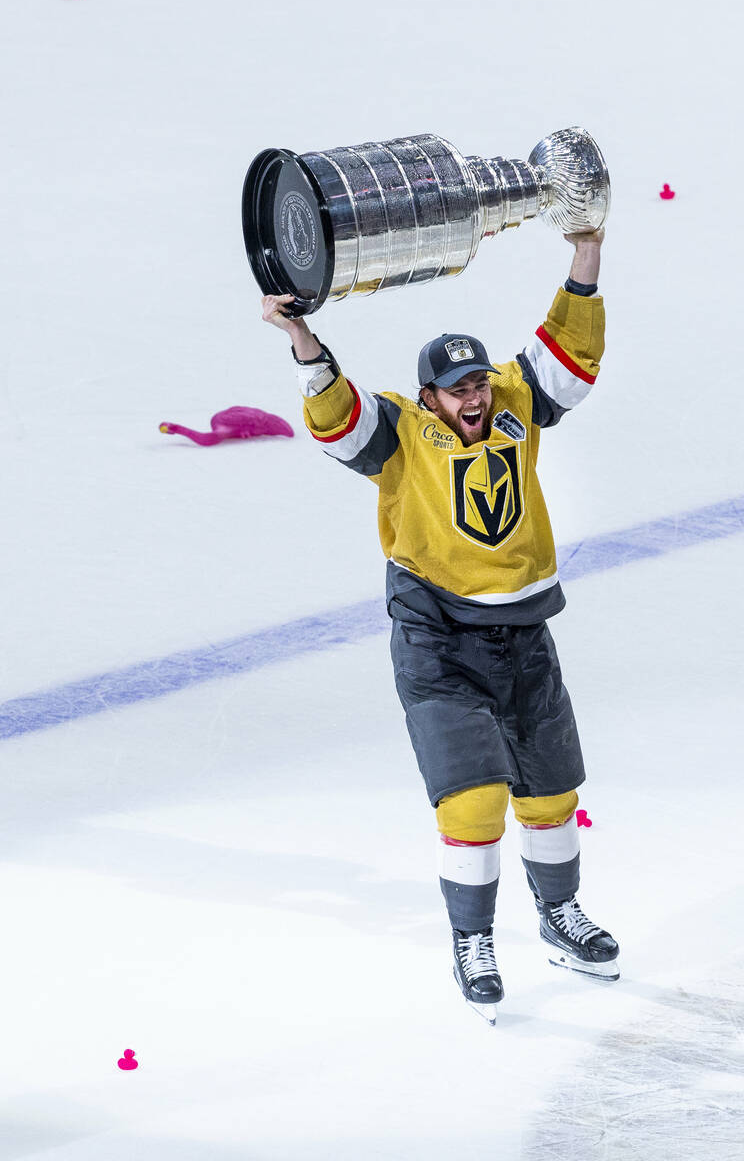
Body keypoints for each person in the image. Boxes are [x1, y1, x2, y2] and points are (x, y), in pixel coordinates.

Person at [261, 229, 619, 1022]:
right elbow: (338, 421)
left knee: (551, 795)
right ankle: (472, 942)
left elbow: (568, 354)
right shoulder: (400, 434)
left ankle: (560, 918)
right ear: (428, 397)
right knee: (472, 806)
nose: (473, 398)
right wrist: (301, 337)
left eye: (479, 384)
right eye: (456, 389)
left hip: (522, 633)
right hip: (437, 640)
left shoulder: (515, 408)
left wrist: (586, 251)